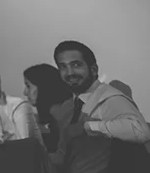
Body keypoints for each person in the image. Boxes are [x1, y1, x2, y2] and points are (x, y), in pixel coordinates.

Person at [53, 40, 150, 173]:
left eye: (76, 65)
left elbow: (141, 131)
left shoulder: (110, 98)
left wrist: (86, 127)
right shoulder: (70, 105)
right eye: (63, 67)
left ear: (94, 69)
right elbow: (62, 156)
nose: (69, 73)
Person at [23, 63, 73, 155]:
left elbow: (61, 156)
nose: (25, 92)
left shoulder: (61, 114)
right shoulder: (50, 113)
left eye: (28, 86)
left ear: (42, 86)